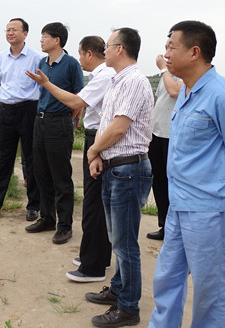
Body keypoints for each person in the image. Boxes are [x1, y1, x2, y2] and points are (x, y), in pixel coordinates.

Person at [149, 20, 225, 328]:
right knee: (167, 279)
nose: (166, 53)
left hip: (213, 210)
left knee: (212, 292)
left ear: (194, 52)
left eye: (172, 46)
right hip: (180, 205)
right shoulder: (186, 91)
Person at [25, 35, 115, 282]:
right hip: (52, 124)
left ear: (88, 54)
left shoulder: (102, 75)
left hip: (92, 135)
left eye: (81, 52)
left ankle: (91, 262)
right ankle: (96, 256)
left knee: (91, 202)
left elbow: (76, 100)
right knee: (44, 174)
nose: (79, 57)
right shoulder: (100, 75)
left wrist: (47, 84)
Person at [83, 27, 154, 327]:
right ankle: (118, 289)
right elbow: (106, 124)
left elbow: (119, 128)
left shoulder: (134, 81)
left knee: (125, 244)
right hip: (115, 167)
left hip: (129, 170)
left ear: (120, 49)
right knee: (117, 239)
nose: (105, 50)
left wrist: (92, 150)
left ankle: (128, 308)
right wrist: (99, 155)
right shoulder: (116, 81)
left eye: (108, 46)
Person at [25, 22, 84, 245]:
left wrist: (69, 120)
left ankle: (65, 226)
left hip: (59, 122)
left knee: (61, 176)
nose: (41, 40)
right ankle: (47, 218)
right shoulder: (42, 63)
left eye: (44, 36)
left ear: (57, 40)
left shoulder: (71, 64)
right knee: (41, 173)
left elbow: (78, 97)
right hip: (40, 121)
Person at [0, 18, 42, 222]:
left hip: (29, 111)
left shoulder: (36, 57)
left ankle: (33, 206)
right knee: (3, 160)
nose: (10, 33)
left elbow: (42, 84)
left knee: (32, 159)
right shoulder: (1, 57)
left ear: (25, 33)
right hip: (6, 112)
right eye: (7, 29)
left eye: (14, 29)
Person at [146, 38, 182, 242]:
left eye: (171, 47)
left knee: (171, 182)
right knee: (158, 180)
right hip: (157, 134)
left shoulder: (182, 74)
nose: (166, 52)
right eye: (166, 47)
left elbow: (174, 91)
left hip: (172, 136)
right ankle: (164, 226)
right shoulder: (167, 74)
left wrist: (162, 69)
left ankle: (175, 229)